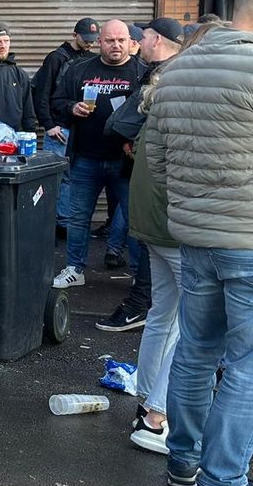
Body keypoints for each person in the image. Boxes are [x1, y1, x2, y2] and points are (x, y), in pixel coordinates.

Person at [149, 0, 253, 486]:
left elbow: (158, 164)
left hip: (194, 237)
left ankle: (184, 461)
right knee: (246, 364)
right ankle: (223, 482)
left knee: (196, 350)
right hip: (247, 241)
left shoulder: (177, 71)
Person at [96, 17, 184, 334]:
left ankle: (137, 305)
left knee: (179, 306)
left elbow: (118, 124)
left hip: (164, 200)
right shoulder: (158, 73)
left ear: (157, 39)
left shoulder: (170, 77)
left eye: (142, 37)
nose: (136, 42)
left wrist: (138, 142)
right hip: (152, 189)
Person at [51, 20, 150, 288]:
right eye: (110, 40)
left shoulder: (143, 71)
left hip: (126, 162)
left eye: (121, 40)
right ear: (100, 42)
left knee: (135, 222)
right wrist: (72, 107)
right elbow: (56, 102)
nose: (116, 45)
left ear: (131, 41)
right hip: (86, 158)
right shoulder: (80, 69)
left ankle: (140, 276)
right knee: (78, 218)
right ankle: (74, 268)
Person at [32, 17, 99, 233]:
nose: (90, 43)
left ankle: (65, 223)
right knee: (55, 179)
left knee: (73, 179)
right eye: (86, 39)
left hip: (81, 130)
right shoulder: (56, 58)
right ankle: (49, 224)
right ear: (74, 35)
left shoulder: (92, 59)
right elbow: (41, 94)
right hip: (59, 130)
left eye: (93, 40)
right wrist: (49, 125)